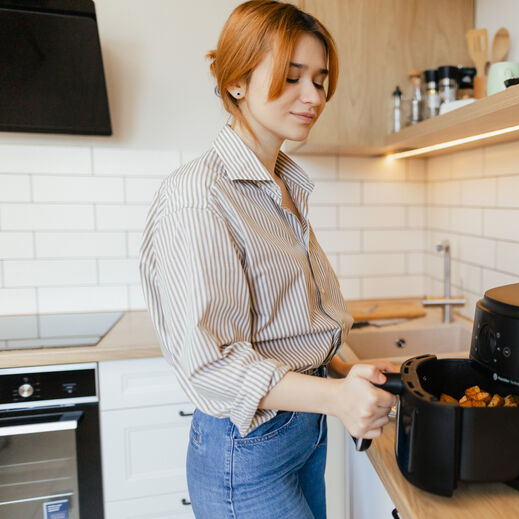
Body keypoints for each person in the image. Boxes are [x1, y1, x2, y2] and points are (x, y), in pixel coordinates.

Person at [138, 2, 397, 518]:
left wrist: (342, 370)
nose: (313, 96)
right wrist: (337, 399)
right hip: (248, 447)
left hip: (300, 428)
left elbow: (285, 322)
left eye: (321, 80)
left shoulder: (281, 183)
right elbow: (209, 364)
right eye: (293, 77)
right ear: (236, 82)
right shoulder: (198, 194)